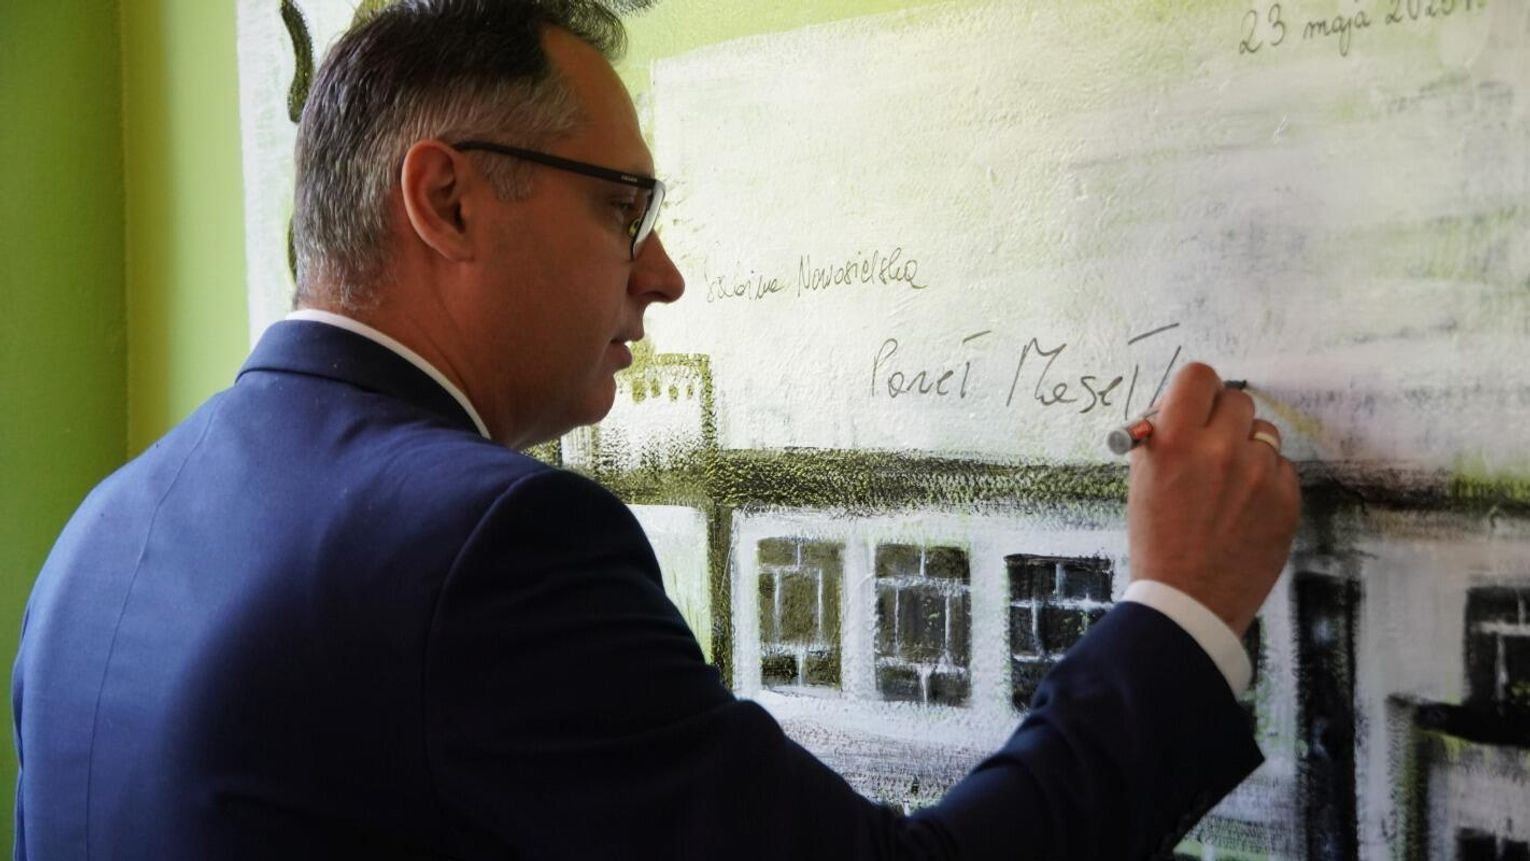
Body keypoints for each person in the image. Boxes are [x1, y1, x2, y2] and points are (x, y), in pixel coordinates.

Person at [10, 1, 1302, 858]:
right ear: (446, 199)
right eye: (621, 206)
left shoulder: (96, 539)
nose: (663, 272)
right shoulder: (490, 547)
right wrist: (1180, 611)